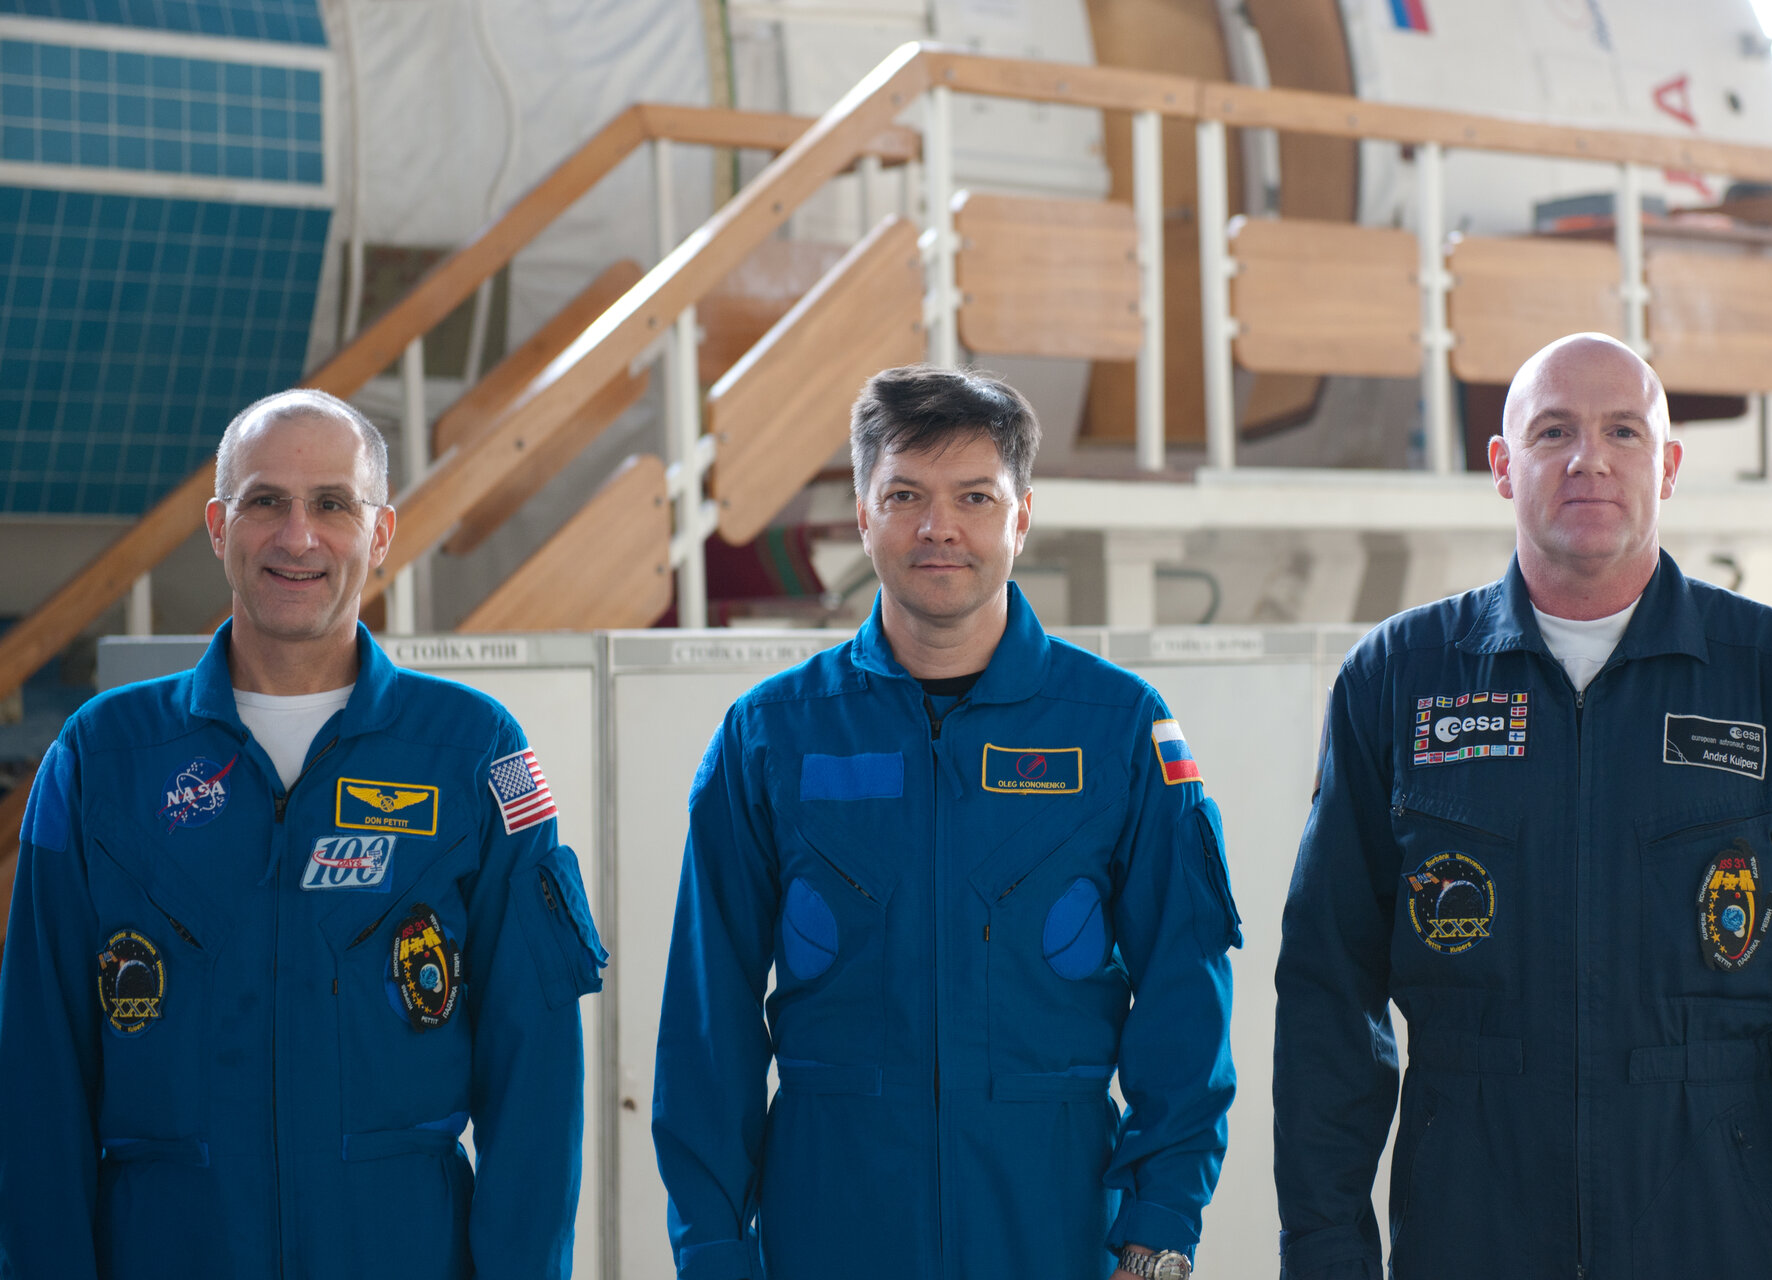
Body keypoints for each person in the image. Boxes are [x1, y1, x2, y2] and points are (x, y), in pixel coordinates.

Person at [1272, 332, 1772, 1278]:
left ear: (1668, 466)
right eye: (1553, 432)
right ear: (1501, 466)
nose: (1590, 459)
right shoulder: (1397, 682)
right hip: (1472, 1230)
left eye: (1623, 431)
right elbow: (1330, 996)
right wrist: (1325, 1253)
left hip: (1717, 1236)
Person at [0, 389, 608, 1279]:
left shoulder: (473, 750)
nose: (298, 537)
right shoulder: (104, 756)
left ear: (382, 530)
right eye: (264, 502)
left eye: (332, 504)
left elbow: (537, 1071)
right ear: (218, 526)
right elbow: (38, 1068)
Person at [652, 365, 1241, 1280]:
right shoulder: (771, 736)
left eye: (974, 495)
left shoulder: (1118, 728)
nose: (939, 528)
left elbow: (1184, 991)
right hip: (832, 1228)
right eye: (904, 496)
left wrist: (1162, 1225)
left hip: (1053, 1227)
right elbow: (707, 1024)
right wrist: (715, 1249)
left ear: (1021, 514)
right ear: (861, 512)